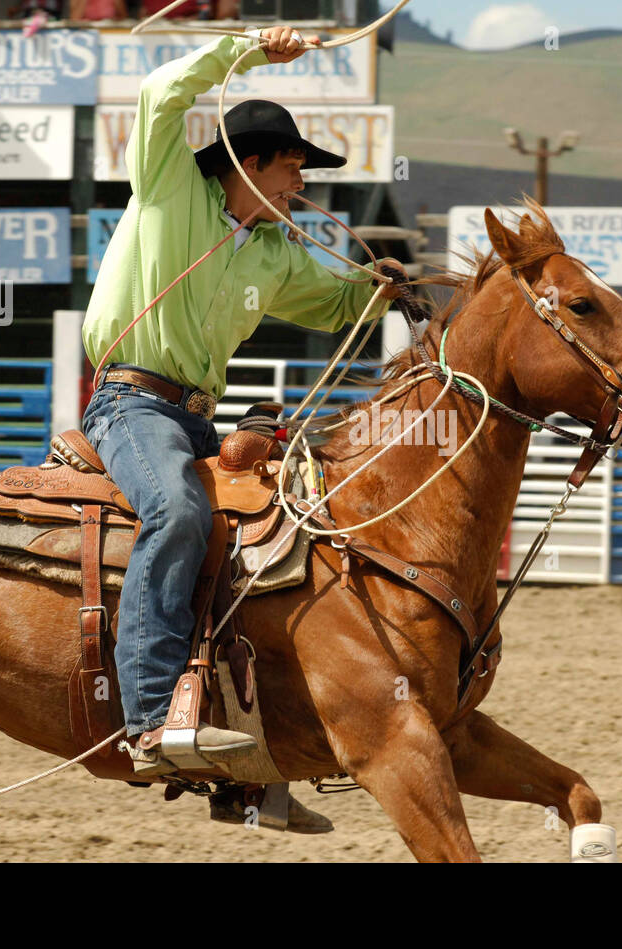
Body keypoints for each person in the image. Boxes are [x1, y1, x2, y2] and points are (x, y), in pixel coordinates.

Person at [80, 26, 403, 786]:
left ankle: (242, 730)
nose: (301, 185)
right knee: (178, 515)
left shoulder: (273, 254)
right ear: (248, 165)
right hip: (130, 403)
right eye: (291, 168)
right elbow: (162, 93)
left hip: (193, 415)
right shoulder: (169, 191)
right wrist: (251, 48)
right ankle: (150, 716)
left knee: (279, 532)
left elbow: (333, 302)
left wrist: (379, 285)